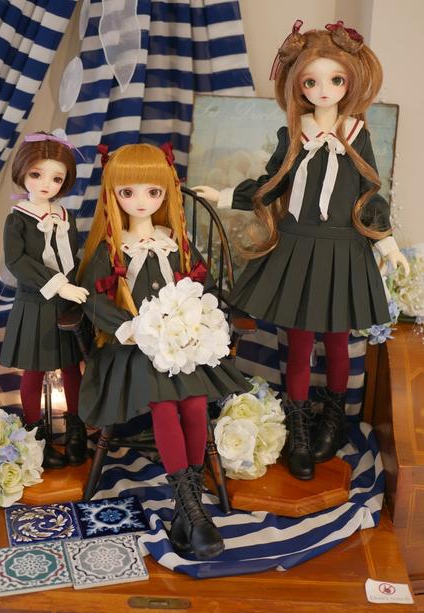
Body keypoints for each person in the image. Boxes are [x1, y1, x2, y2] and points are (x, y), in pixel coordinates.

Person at [194, 21, 409, 480]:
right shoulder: (293, 133)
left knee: (337, 341)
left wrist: (386, 240)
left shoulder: (356, 132)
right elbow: (271, 184)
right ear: (298, 86)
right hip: (297, 246)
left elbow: (369, 191)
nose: (323, 90)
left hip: (343, 249)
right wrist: (226, 195)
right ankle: (297, 426)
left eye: (335, 80)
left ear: (350, 82)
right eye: (311, 82)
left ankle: (333, 417)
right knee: (299, 342)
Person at [77, 142, 250, 560]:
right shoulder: (111, 248)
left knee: (195, 404)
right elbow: (91, 298)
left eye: (153, 192)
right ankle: (193, 511)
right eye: (128, 192)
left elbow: (206, 288)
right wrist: (126, 327)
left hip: (179, 347)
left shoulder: (175, 243)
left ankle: (187, 511)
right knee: (165, 407)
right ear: (113, 194)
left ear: (166, 193)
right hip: (133, 351)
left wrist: (201, 322)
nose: (141, 201)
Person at [0, 132, 89, 469]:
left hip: (66, 303)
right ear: (23, 172)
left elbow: (72, 256)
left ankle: (77, 430)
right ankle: (35, 436)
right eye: (37, 174)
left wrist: (76, 288)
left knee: (71, 368)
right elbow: (17, 261)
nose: (46, 184)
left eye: (56, 178)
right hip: (34, 303)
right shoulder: (17, 218)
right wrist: (57, 285)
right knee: (34, 370)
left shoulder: (66, 217)